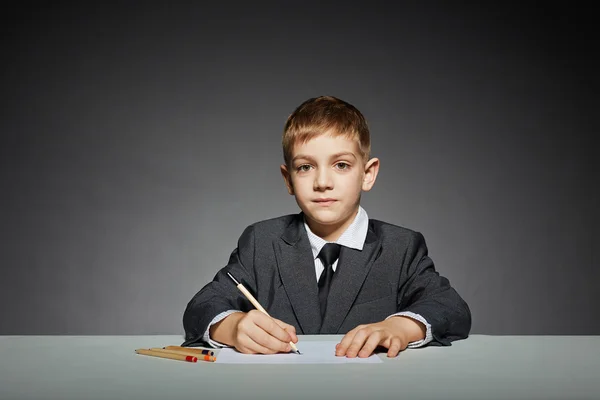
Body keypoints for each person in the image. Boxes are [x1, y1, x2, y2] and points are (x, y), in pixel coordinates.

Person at [182, 96, 471, 358]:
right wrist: (232, 327)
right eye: (305, 167)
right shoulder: (262, 241)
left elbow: (451, 307)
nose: (322, 183)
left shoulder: (401, 246)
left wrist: (402, 327)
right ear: (288, 179)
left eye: (341, 165)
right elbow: (202, 305)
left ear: (367, 174)